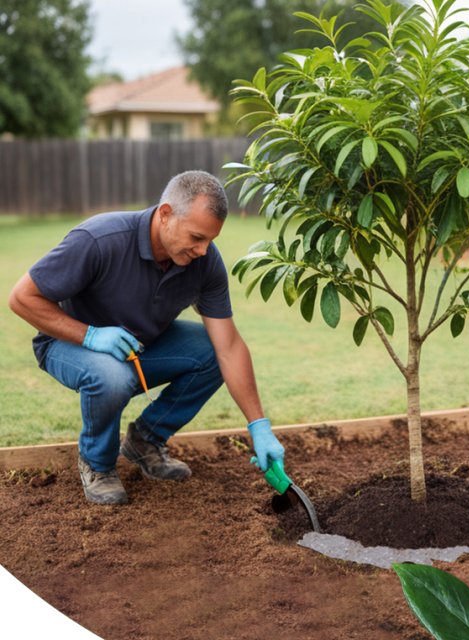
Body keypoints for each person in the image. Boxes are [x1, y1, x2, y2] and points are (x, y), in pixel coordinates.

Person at [8, 170, 285, 505]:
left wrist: (259, 424)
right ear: (165, 214)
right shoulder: (100, 239)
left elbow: (229, 346)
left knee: (212, 350)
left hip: (140, 347)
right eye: (197, 237)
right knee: (110, 376)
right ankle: (97, 463)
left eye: (210, 240)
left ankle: (145, 441)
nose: (203, 250)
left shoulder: (204, 262)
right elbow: (22, 298)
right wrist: (90, 335)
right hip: (67, 344)